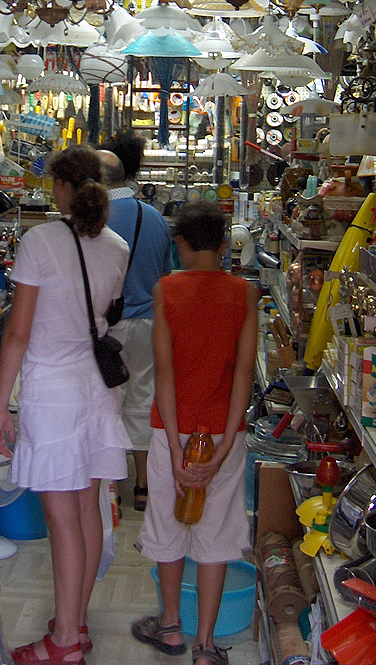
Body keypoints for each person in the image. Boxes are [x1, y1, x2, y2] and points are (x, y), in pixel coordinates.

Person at [0, 146, 130, 665]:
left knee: (62, 521)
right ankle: (77, 622)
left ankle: (65, 642)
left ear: (61, 187)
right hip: (97, 392)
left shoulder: (39, 241)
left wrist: (2, 405)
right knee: (88, 509)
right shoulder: (116, 247)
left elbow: (18, 334)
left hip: (52, 394)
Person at [131, 200, 258, 665]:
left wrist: (173, 448)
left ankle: (169, 626)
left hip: (173, 430)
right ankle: (205, 645)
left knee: (168, 528)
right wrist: (222, 449)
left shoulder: (166, 290)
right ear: (225, 246)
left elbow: (163, 372)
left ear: (181, 245)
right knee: (216, 536)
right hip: (226, 434)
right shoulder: (244, 294)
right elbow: (243, 375)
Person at [97, 133, 173, 511]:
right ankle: (143, 487)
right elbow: (165, 277)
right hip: (148, 326)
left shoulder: (95, 219)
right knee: (143, 401)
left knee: (107, 402)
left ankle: (110, 486)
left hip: (106, 329)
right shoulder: (155, 217)